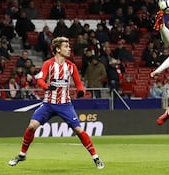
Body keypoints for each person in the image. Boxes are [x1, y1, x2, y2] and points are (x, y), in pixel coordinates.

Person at [8, 37, 104, 169]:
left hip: (65, 104)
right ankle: (22, 154)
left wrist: (81, 91)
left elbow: (79, 84)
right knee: (31, 126)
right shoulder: (48, 64)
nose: (69, 48)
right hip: (48, 104)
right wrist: (46, 87)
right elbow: (40, 79)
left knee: (79, 130)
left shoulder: (71, 66)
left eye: (69, 46)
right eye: (66, 46)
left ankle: (96, 158)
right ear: (58, 49)